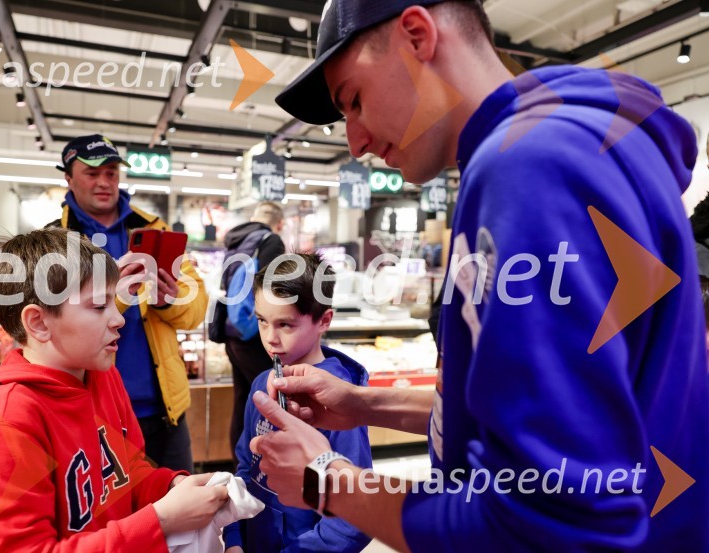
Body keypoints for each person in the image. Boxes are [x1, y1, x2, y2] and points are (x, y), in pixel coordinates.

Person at [251, 0, 709, 551]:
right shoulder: (566, 141)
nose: (357, 142)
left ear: (417, 35)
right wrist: (363, 405)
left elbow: (552, 522)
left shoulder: (527, 165)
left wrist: (329, 482)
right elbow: (528, 416)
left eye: (354, 100)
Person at [0, 228, 228, 550]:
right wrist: (160, 520)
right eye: (98, 306)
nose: (118, 318)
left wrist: (170, 486)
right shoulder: (3, 423)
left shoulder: (101, 375)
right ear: (38, 323)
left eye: (115, 300)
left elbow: (125, 469)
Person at [47, 134, 208, 472]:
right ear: (68, 177)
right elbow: (53, 326)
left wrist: (169, 301)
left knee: (181, 512)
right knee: (117, 518)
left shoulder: (155, 229)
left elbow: (195, 311)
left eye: (111, 172)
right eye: (92, 173)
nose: (104, 182)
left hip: (166, 410)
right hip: (93, 412)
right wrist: (114, 297)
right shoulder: (54, 243)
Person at [223, 253, 371, 553]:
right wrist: (234, 537)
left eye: (286, 325)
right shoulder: (262, 382)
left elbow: (354, 519)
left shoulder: (338, 402)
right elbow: (244, 468)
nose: (270, 338)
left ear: (324, 320)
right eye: (262, 321)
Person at [219, 201, 286, 458]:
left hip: (233, 330)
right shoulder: (271, 241)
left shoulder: (238, 240)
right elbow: (273, 289)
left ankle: (240, 462)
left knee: (243, 400)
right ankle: (264, 461)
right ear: (278, 223)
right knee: (268, 399)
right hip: (255, 332)